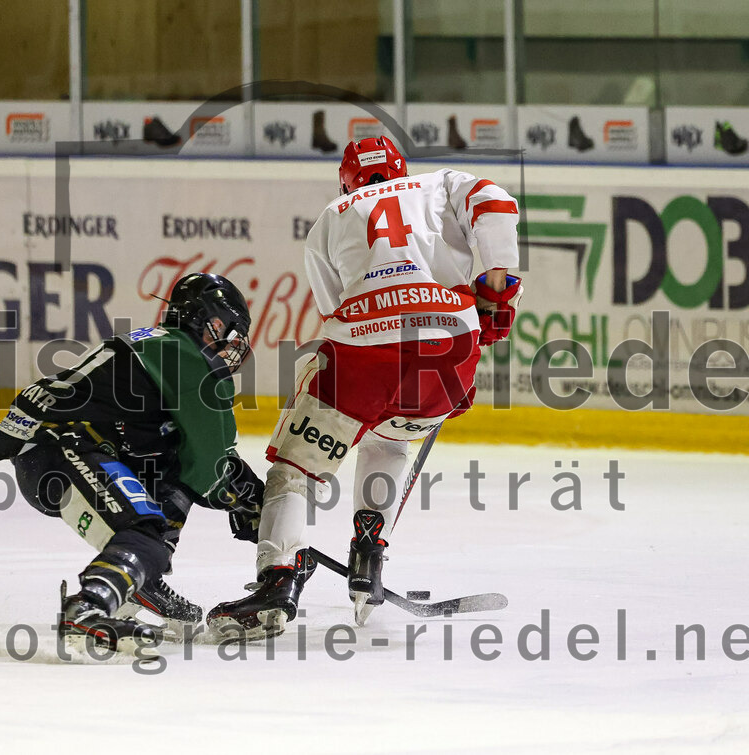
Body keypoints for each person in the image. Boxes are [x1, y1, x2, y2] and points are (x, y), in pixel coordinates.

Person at [206, 136, 523, 638]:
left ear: (346, 180)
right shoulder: (438, 184)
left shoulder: (331, 215)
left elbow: (333, 311)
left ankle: (278, 582)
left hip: (363, 349)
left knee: (297, 470)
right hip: (449, 352)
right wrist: (496, 288)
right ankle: (368, 558)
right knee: (392, 443)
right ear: (401, 169)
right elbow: (497, 204)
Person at [0, 272, 265, 653]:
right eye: (228, 330)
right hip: (63, 446)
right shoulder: (189, 358)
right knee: (146, 529)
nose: (230, 345)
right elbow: (211, 466)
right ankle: (88, 608)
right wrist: (253, 503)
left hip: (53, 447)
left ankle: (137, 575)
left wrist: (242, 493)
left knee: (168, 459)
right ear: (211, 321)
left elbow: (191, 454)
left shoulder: (154, 342)